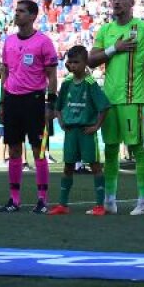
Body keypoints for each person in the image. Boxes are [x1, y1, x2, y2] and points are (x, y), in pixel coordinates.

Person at [89, 0, 144, 215]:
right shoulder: (105, 30)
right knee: (110, 149)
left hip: (132, 97)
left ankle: (143, 202)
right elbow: (91, 59)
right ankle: (109, 200)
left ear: (131, 2)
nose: (116, 2)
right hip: (109, 99)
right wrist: (113, 49)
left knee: (136, 147)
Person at [0, 0, 60, 213]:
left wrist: (50, 103)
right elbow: (5, 72)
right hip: (13, 101)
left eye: (22, 11)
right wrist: (2, 103)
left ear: (33, 16)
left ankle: (42, 199)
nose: (17, 14)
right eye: (16, 11)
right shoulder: (9, 41)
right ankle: (14, 199)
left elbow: (52, 75)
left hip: (34, 101)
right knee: (14, 150)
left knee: (38, 150)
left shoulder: (43, 42)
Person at [54, 45, 109, 216]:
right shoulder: (67, 83)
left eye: (76, 62)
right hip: (71, 132)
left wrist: (96, 126)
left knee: (95, 166)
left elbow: (104, 106)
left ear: (85, 63)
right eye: (69, 62)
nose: (72, 65)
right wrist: (62, 122)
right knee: (68, 166)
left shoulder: (91, 83)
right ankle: (62, 204)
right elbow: (58, 106)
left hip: (86, 131)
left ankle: (100, 205)